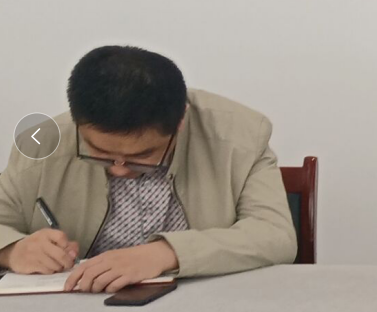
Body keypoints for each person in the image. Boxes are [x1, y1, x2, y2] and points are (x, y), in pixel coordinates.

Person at [0, 46, 297, 292]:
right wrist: (12, 250)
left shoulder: (241, 136)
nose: (119, 169)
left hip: (204, 305)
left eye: (141, 156)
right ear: (77, 122)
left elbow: (275, 235)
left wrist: (166, 253)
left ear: (180, 121)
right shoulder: (42, 145)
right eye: (100, 153)